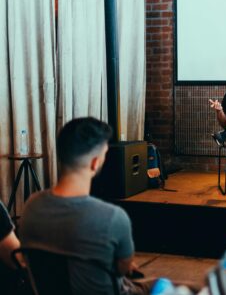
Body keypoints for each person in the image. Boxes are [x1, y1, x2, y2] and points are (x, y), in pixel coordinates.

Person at [19, 117, 155, 295]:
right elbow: (123, 269)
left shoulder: (31, 206)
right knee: (173, 286)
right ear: (95, 162)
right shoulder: (113, 217)